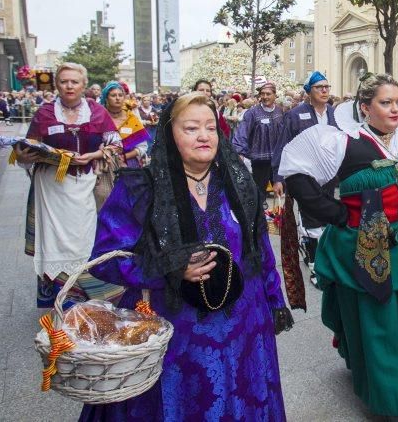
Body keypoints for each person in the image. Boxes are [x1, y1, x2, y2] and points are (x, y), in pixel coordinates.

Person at [81, 92, 292, 421]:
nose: (204, 136)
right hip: (175, 332)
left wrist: (274, 300)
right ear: (168, 133)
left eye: (211, 127)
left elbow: (260, 250)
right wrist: (168, 269)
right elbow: (105, 257)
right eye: (191, 128)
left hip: (243, 328)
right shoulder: (141, 188)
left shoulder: (239, 183)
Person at [279, 73, 398, 418]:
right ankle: (390, 401)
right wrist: (336, 214)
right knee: (382, 329)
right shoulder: (342, 143)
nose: (395, 109)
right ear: (365, 108)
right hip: (371, 255)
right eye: (386, 102)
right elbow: (297, 174)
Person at [14, 63, 123, 307]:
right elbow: (27, 147)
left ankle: (87, 297)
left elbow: (116, 144)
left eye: (74, 81)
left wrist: (94, 156)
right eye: (64, 81)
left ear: (84, 85)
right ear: (57, 85)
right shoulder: (44, 113)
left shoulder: (97, 112)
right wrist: (24, 156)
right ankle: (63, 300)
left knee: (85, 240)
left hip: (85, 185)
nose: (69, 86)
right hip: (50, 188)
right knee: (54, 241)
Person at [271, 71, 338, 301]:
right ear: (309, 92)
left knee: (328, 218)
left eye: (327, 87)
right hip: (303, 176)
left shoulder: (333, 113)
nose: (324, 91)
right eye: (319, 87)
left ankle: (325, 258)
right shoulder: (295, 115)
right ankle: (314, 264)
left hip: (328, 177)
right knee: (311, 219)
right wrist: (278, 177)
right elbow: (283, 146)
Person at [232, 82, 284, 193]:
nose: (265, 97)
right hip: (260, 161)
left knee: (280, 193)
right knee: (259, 194)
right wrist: (239, 152)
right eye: (262, 94)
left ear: (275, 95)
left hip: (278, 160)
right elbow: (242, 132)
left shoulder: (280, 111)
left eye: (268, 94)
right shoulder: (252, 113)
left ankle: (278, 211)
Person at [101, 81, 150, 169]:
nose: (117, 98)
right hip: (104, 165)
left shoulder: (131, 118)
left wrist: (124, 157)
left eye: (120, 95)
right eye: (113, 95)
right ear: (106, 98)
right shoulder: (100, 118)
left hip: (129, 167)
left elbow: (143, 147)